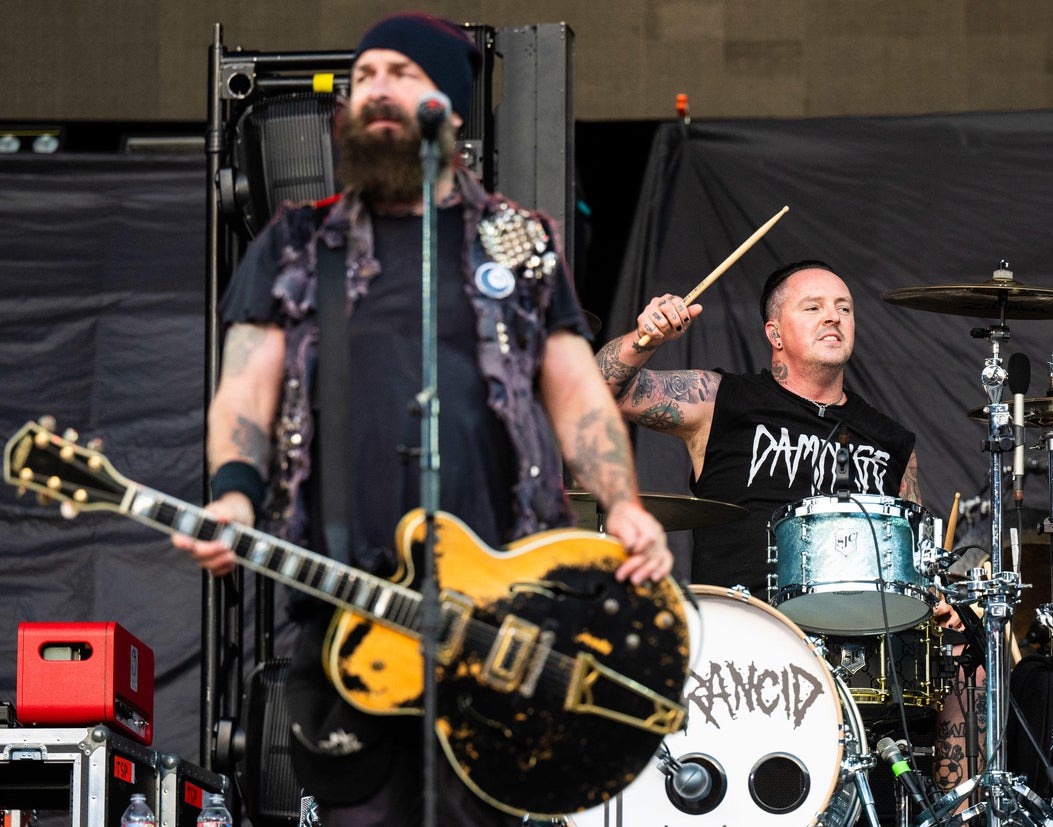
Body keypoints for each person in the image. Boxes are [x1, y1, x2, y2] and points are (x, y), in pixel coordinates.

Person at [173, 11, 673, 826]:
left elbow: (579, 393)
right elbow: (244, 389)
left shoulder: (520, 241)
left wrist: (623, 504)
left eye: (399, 73)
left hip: (504, 613)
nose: (373, 89)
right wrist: (231, 492)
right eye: (363, 76)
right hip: (347, 609)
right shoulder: (299, 244)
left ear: (452, 103)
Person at [595, 260, 990, 794]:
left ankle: (951, 810)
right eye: (814, 307)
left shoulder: (891, 440)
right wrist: (645, 339)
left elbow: (914, 557)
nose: (833, 317)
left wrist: (943, 606)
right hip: (745, 632)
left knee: (965, 649)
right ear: (774, 332)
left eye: (844, 308)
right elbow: (598, 391)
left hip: (861, 641)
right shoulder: (720, 400)